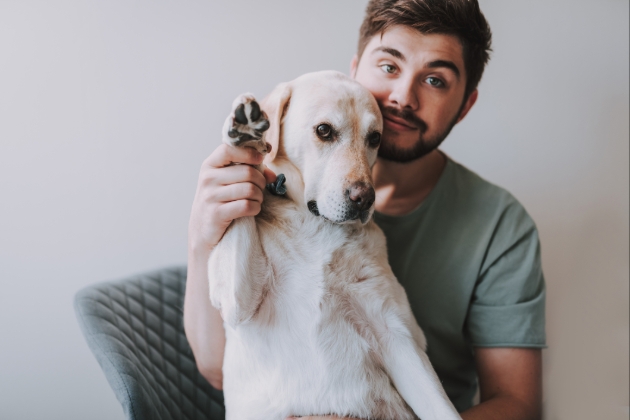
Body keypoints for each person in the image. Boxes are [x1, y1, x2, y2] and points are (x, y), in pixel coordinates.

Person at [184, 0, 546, 419]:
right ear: (355, 69)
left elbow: (518, 405)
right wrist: (202, 235)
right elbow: (217, 366)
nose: (403, 97)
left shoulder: (500, 225)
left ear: (465, 104)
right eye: (389, 66)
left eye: (434, 79)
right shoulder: (260, 195)